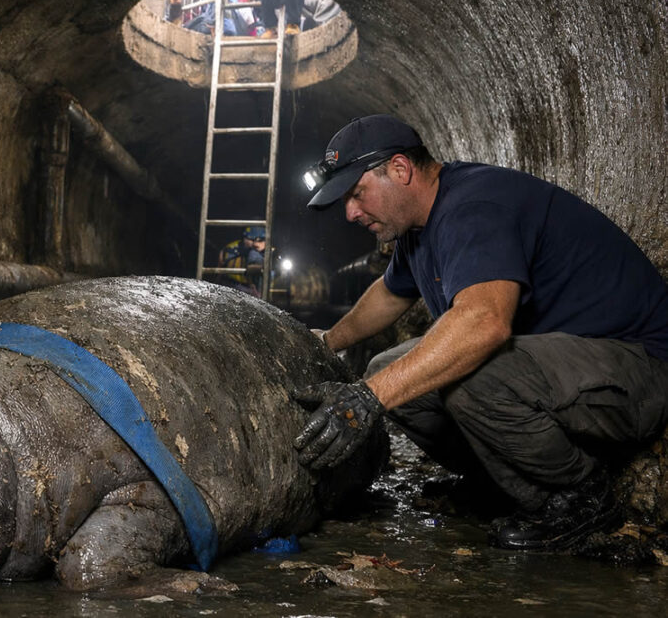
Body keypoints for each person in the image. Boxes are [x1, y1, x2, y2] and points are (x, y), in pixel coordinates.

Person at [296, 114, 668, 549]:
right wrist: (328, 341)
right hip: (567, 370)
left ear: (400, 169)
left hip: (640, 369)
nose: (350, 212)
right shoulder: (418, 227)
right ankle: (499, 484)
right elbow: (390, 294)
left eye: (357, 194)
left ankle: (579, 496)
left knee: (470, 377)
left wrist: (368, 398)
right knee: (388, 367)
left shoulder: (472, 207)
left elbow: (484, 324)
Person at [218, 226, 267, 297]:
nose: (257, 244)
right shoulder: (253, 253)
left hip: (232, 286)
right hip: (235, 286)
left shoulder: (229, 247)